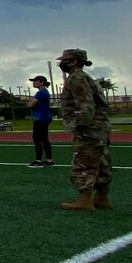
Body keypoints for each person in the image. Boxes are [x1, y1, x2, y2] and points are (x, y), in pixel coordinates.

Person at [56, 48, 111, 211]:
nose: (61, 63)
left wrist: (80, 126)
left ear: (73, 61)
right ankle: (102, 197)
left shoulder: (77, 78)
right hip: (99, 127)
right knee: (101, 161)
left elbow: (84, 105)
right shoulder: (85, 77)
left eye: (64, 60)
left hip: (88, 127)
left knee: (84, 162)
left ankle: (84, 199)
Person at [27, 75, 54, 167]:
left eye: (35, 81)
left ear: (41, 82)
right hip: (44, 117)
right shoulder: (44, 92)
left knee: (37, 139)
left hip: (41, 118)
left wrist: (31, 104)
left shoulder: (41, 93)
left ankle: (38, 160)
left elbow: (30, 104)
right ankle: (49, 159)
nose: (33, 83)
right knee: (44, 139)